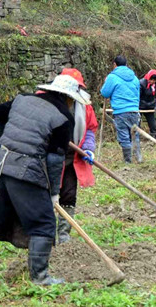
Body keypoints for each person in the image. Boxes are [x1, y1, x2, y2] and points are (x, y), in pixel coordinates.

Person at [0, 75, 89, 286]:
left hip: (0, 165)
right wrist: (53, 192)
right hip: (26, 171)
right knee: (43, 223)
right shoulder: (63, 117)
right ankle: (40, 278)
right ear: (68, 98)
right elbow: (54, 159)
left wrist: (3, 145)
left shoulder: (22, 98)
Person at [56, 68, 98, 244]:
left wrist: (88, 148)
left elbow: (89, 129)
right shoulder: (45, 99)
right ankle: (44, 234)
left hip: (72, 157)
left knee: (68, 194)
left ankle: (64, 233)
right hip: (50, 155)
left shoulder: (84, 105)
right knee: (46, 194)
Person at [100, 55, 142, 163]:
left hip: (121, 111)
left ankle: (128, 161)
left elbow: (105, 93)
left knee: (124, 135)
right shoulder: (135, 78)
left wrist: (106, 82)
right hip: (135, 110)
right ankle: (138, 158)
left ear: (114, 64)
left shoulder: (112, 77)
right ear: (126, 64)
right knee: (134, 134)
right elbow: (138, 94)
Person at [139, 69, 156, 139]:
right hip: (140, 105)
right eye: (151, 79)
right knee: (137, 121)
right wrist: (136, 106)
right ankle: (136, 136)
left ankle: (154, 136)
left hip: (151, 106)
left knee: (152, 123)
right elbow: (137, 96)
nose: (152, 81)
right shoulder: (141, 83)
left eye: (154, 80)